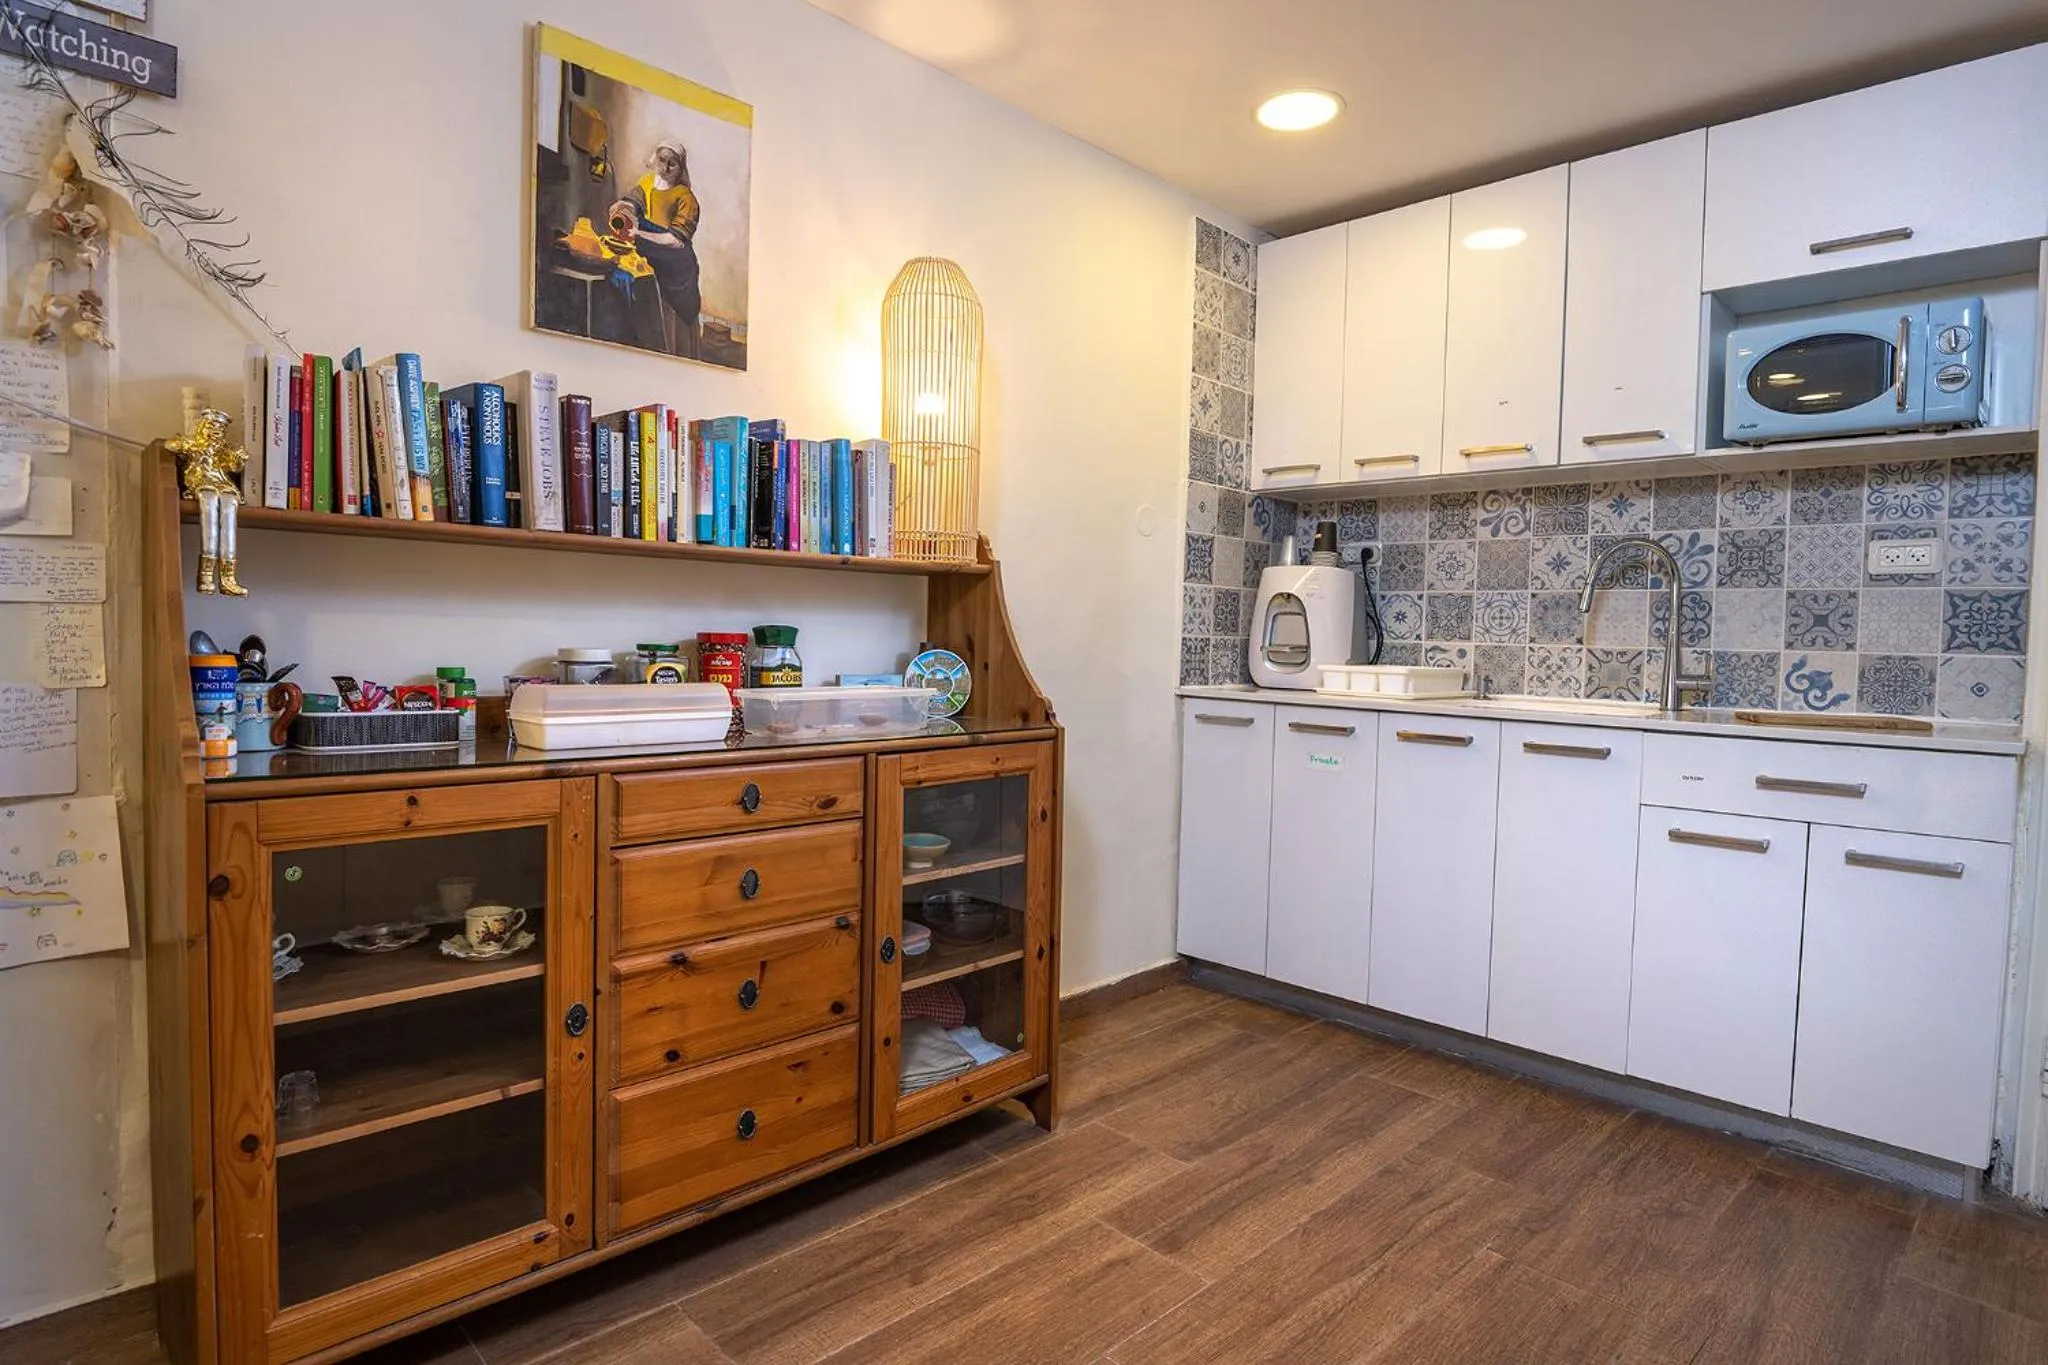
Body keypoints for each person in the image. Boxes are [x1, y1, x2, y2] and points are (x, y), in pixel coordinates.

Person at [627, 141, 703, 357]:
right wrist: (623, 207)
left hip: (676, 267)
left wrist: (639, 233)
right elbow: (633, 201)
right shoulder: (647, 182)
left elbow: (677, 240)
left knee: (674, 317)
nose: (666, 168)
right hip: (649, 257)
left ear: (681, 168)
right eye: (662, 160)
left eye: (673, 164)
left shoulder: (686, 198)